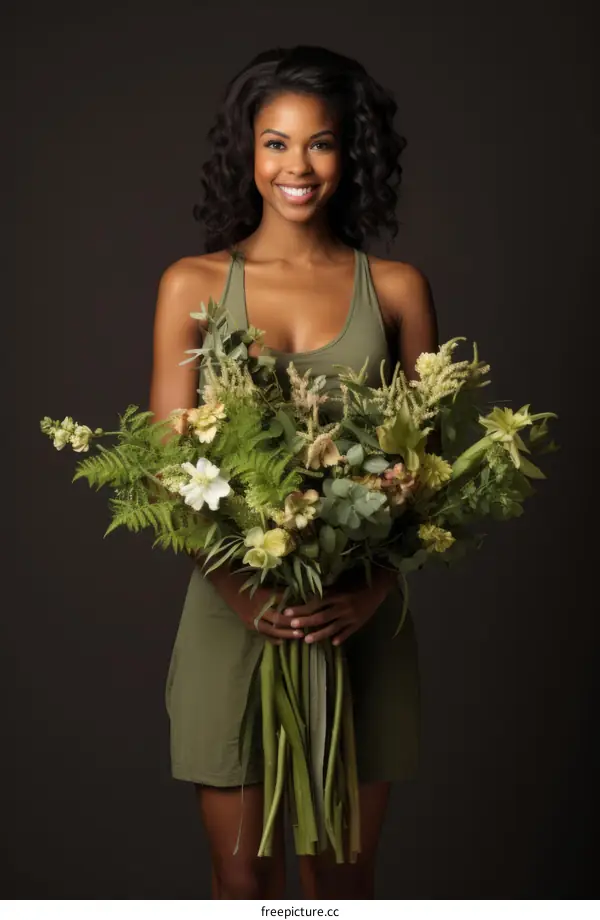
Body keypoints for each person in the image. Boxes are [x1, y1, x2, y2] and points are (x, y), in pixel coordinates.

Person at [149, 44, 438, 900]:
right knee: (242, 885)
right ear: (246, 152)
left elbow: (426, 468)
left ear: (352, 156)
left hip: (356, 620)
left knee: (340, 883)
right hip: (231, 613)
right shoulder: (191, 284)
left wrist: (374, 589)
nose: (296, 166)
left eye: (320, 143)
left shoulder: (396, 288)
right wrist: (241, 590)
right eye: (275, 142)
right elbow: (170, 471)